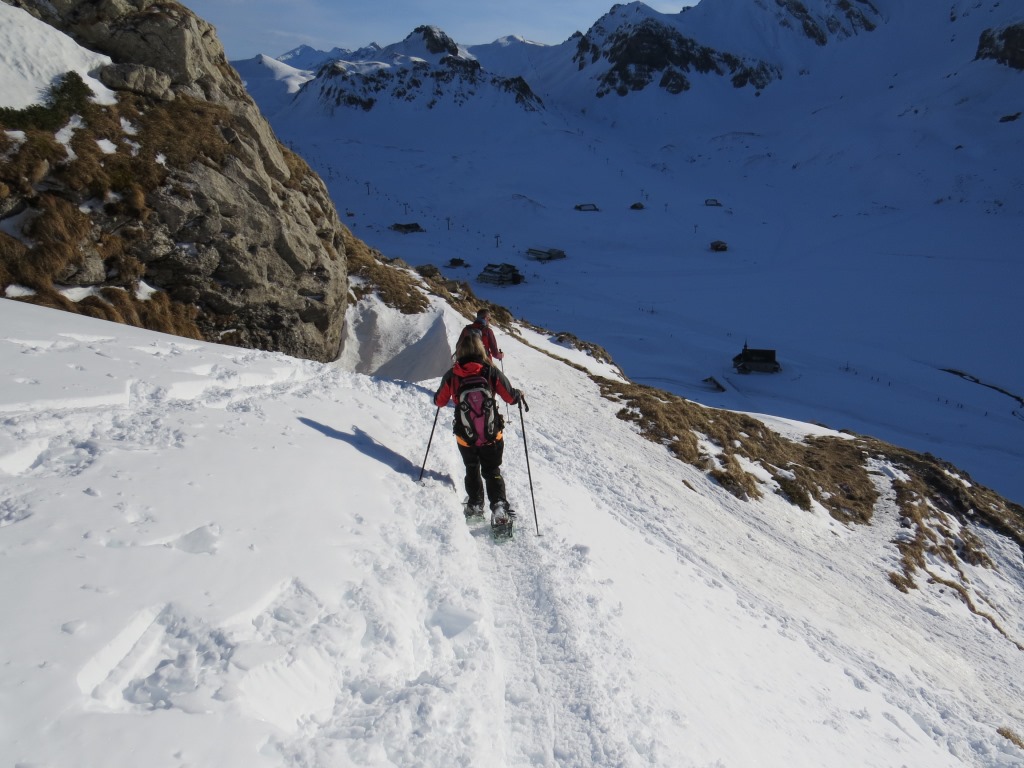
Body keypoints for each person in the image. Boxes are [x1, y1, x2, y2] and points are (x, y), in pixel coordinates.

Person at [434, 332, 522, 523]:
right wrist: (518, 395)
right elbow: (510, 397)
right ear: (481, 349)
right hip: (492, 434)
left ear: (459, 351)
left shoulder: (452, 375)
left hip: (465, 435)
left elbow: (440, 401)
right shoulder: (490, 372)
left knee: (471, 468)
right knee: (492, 470)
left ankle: (475, 505)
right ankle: (499, 506)